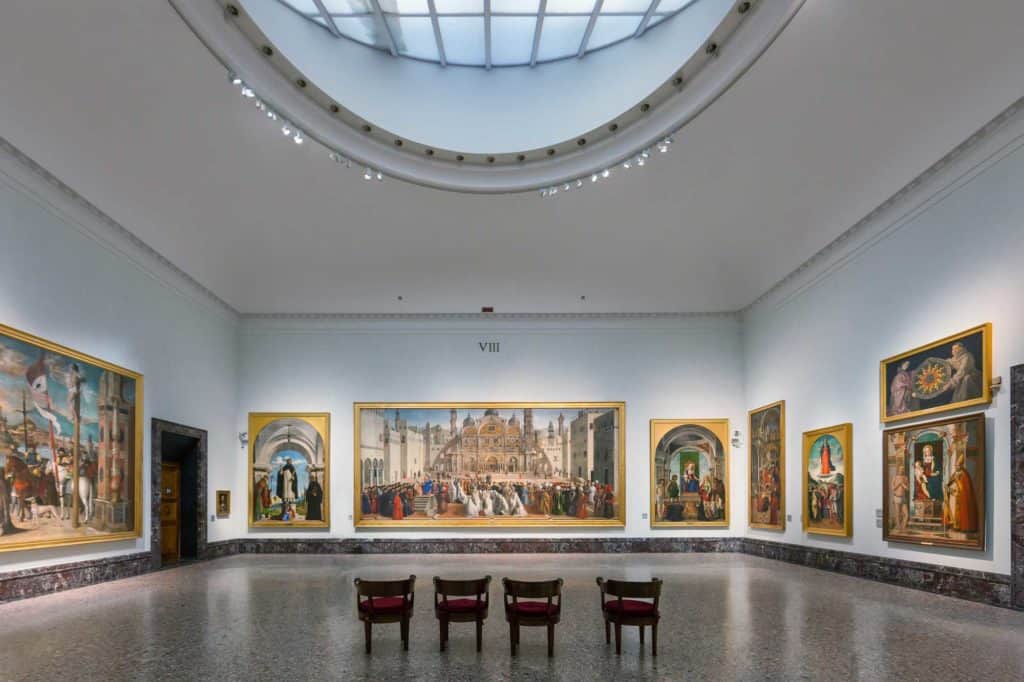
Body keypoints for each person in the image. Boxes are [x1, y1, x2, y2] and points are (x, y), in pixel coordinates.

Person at [944, 454, 978, 533]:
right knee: (953, 511)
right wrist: (947, 486)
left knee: (959, 512)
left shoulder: (964, 474)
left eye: (958, 465)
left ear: (961, 465)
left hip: (960, 496)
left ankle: (960, 526)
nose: (956, 467)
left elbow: (964, 488)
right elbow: (950, 482)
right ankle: (954, 525)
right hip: (953, 495)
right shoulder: (955, 473)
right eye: (956, 465)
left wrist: (957, 482)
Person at [891, 464, 909, 530]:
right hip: (897, 497)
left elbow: (907, 489)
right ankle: (898, 527)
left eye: (903, 469)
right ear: (898, 469)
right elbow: (893, 488)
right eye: (901, 469)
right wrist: (899, 484)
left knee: (906, 514)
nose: (901, 470)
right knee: (898, 513)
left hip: (903, 497)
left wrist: (903, 484)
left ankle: (903, 527)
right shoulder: (895, 477)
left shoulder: (905, 478)